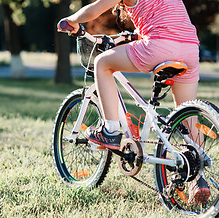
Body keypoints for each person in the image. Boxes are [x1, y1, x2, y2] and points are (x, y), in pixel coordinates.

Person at [58, 0, 210, 204]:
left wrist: (71, 20)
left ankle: (110, 130)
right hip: (190, 48)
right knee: (187, 116)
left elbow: (94, 10)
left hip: (160, 46)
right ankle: (198, 180)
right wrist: (133, 35)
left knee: (102, 63)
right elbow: (165, 20)